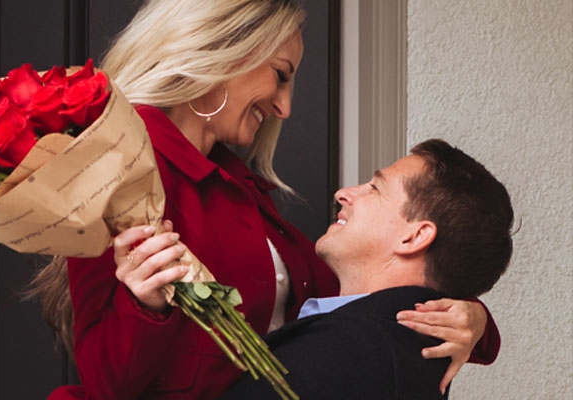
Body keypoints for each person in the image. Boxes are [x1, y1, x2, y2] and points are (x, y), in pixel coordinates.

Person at [28, 1, 500, 398]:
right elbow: (107, 384)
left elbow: (362, 290)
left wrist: (473, 319)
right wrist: (146, 306)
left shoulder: (240, 189)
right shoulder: (114, 167)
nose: (285, 106)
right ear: (225, 52)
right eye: (280, 75)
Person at [223, 139, 514, 399]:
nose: (343, 193)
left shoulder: (343, 353)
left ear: (414, 237)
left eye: (375, 188)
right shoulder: (409, 350)